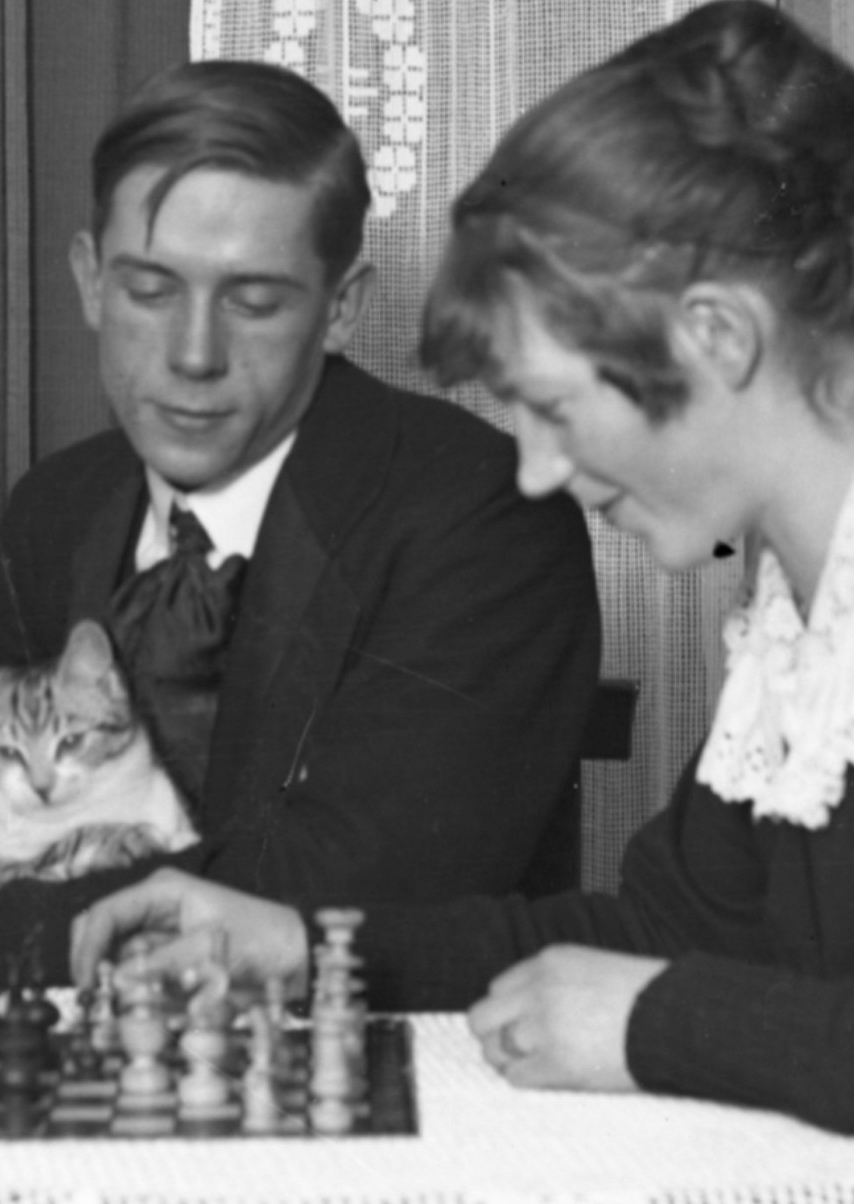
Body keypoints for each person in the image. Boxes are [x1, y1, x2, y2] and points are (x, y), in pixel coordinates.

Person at [70, 0, 854, 1135]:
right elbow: (665, 935)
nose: (535, 472)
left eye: (549, 406)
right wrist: (302, 945)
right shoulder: (803, 614)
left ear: (718, 338)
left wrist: (656, 1024)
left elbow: (655, 989)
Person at [0, 58, 601, 982]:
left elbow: (366, 896)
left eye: (255, 300)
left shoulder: (480, 513)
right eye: (149, 291)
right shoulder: (54, 509)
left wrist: (15, 931)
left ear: (342, 307)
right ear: (87, 281)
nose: (194, 355)